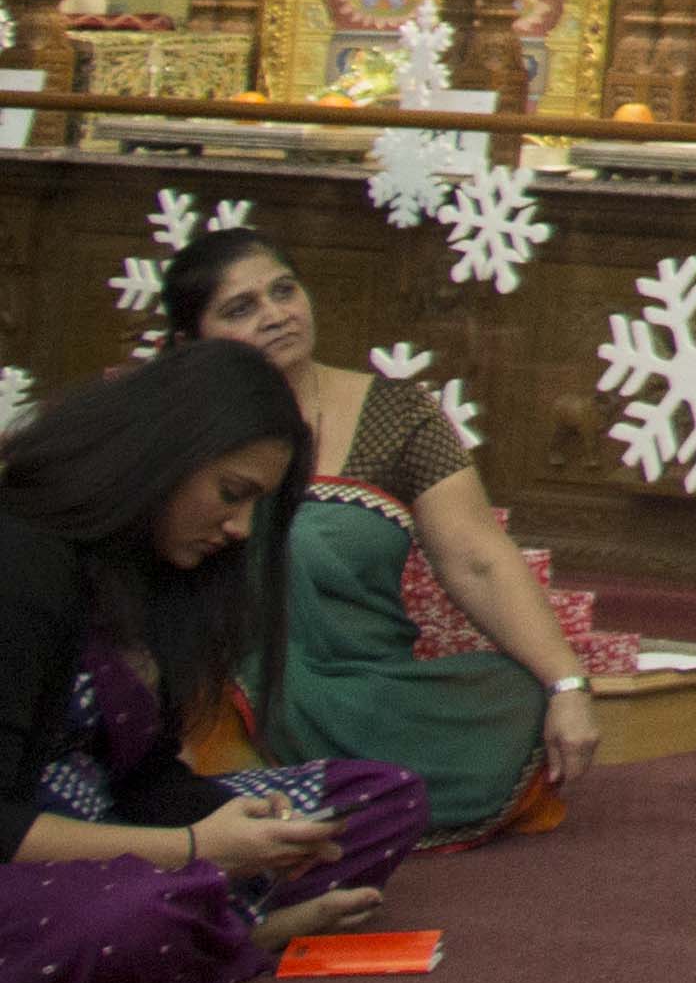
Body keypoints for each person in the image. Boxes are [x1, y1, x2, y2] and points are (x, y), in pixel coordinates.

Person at [0, 343, 428, 983]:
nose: (240, 527)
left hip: (120, 837)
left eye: (259, 504)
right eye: (233, 494)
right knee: (134, 914)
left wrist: (245, 822)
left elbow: (139, 776)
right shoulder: (23, 561)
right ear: (161, 456)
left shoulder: (155, 567)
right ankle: (242, 934)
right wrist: (197, 844)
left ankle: (207, 921)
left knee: (376, 799)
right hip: (28, 859)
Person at [158, 233, 593, 843]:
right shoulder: (169, 428)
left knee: (518, 695)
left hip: (371, 690)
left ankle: (311, 798)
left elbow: (477, 560)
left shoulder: (397, 413)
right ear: (189, 340)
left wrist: (566, 684)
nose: (276, 314)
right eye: (241, 308)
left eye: (284, 291)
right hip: (226, 691)